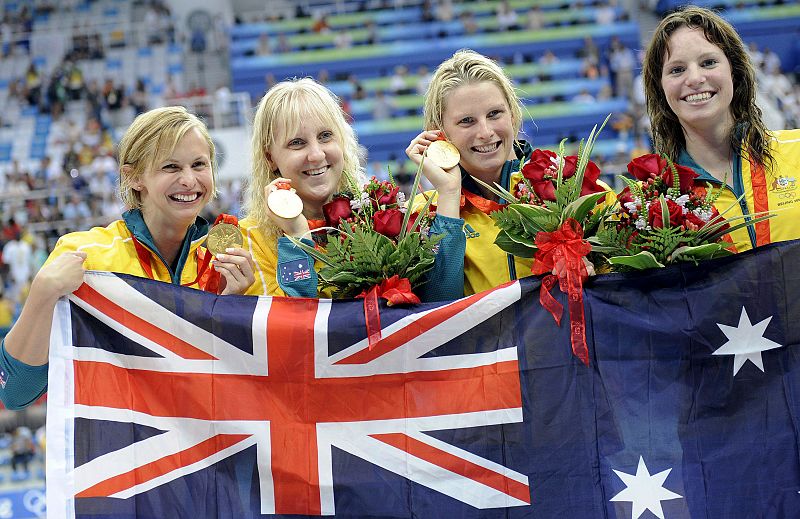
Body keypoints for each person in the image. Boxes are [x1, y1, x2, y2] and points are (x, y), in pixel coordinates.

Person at [0, 106, 255, 410]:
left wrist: (234, 310)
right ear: (134, 178)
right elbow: (15, 392)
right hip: (125, 451)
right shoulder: (88, 257)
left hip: (206, 450)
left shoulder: (229, 259)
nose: (189, 180)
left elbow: (243, 383)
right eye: (171, 167)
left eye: (199, 164)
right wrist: (42, 292)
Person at [240, 78, 462, 301]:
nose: (316, 155)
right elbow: (294, 327)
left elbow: (440, 303)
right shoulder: (249, 242)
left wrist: (450, 193)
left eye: (325, 136)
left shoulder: (379, 214)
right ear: (270, 158)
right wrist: (297, 239)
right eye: (297, 143)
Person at [642, 6, 800, 252]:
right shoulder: (656, 202)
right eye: (677, 69)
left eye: (708, 62)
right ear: (660, 89)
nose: (694, 79)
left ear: (734, 73)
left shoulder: (797, 150)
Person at [405, 49, 532, 296]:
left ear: (513, 115)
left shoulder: (567, 187)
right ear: (439, 132)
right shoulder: (420, 216)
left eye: (494, 114)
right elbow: (437, 306)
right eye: (466, 121)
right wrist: (449, 196)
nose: (485, 132)